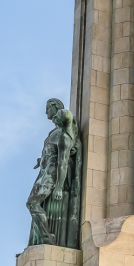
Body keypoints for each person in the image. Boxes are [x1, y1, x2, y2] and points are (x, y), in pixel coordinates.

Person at [27, 99, 82, 248]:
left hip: (51, 174)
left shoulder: (64, 136)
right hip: (44, 173)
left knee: (32, 203)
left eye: (47, 108)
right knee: (33, 204)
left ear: (56, 108)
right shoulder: (54, 133)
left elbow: (63, 161)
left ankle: (47, 238)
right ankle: (42, 237)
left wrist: (58, 187)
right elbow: (52, 152)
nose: (46, 112)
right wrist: (42, 159)